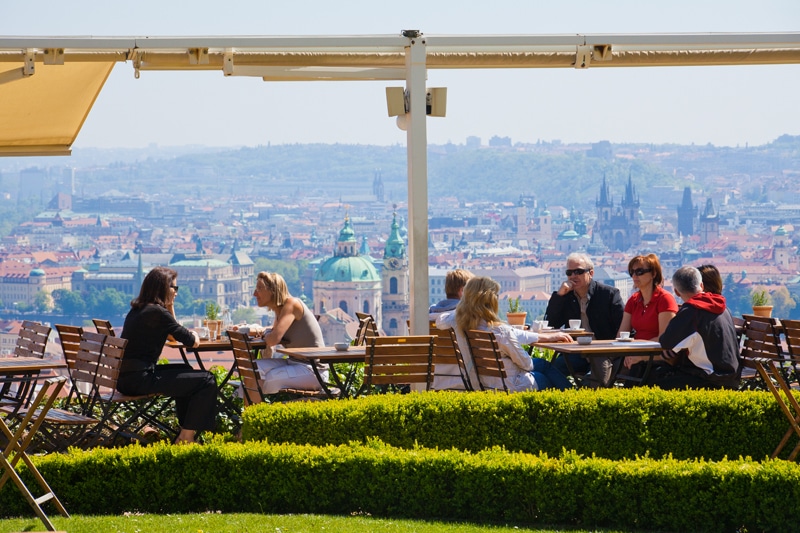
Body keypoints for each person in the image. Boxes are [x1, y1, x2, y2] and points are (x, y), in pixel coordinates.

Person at [118, 266, 217, 445]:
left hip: (127, 379)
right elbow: (191, 341)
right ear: (164, 288)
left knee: (186, 370)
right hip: (139, 380)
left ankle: (184, 430)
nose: (176, 293)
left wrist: (169, 306)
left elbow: (171, 334)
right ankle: (187, 437)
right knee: (207, 380)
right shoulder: (156, 312)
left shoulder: (140, 309)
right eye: (174, 288)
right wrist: (194, 334)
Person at [437, 276, 574, 392]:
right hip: (508, 386)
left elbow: (439, 321)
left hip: (479, 381)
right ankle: (576, 400)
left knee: (543, 365)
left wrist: (543, 337)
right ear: (491, 301)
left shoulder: (457, 322)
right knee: (543, 373)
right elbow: (526, 365)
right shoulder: (500, 331)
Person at [646, 266, 739, 389]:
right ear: (701, 285)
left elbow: (667, 343)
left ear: (677, 292)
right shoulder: (722, 307)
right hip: (731, 377)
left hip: (711, 379)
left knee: (651, 386)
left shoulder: (691, 312)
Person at [545, 252, 625, 387]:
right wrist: (559, 296)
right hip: (577, 352)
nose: (573, 276)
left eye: (578, 271)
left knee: (592, 381)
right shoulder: (567, 297)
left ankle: (580, 399)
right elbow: (550, 324)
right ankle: (569, 398)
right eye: (569, 273)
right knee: (551, 371)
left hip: (603, 351)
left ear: (591, 273)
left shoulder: (608, 294)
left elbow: (624, 326)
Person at [247, 271, 327, 394]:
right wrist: (266, 332)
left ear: (272, 291)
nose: (255, 294)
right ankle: (252, 412)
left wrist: (266, 333)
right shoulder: (280, 310)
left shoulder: (292, 304)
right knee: (251, 368)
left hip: (313, 370)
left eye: (259, 289)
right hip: (296, 363)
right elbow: (273, 332)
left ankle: (255, 411)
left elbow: (273, 339)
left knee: (267, 378)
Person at [620, 253, 679, 372]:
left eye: (640, 271)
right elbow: (622, 334)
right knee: (603, 364)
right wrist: (627, 352)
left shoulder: (664, 299)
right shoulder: (634, 300)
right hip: (635, 353)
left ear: (653, 274)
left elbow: (664, 339)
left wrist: (639, 354)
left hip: (657, 356)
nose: (635, 276)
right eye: (632, 272)